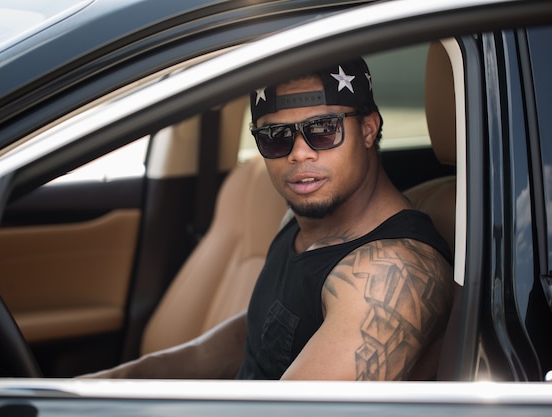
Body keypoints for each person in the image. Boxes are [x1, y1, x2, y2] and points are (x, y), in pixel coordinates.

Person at [83, 57, 454, 381]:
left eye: (323, 130)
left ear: (369, 129)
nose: (298, 154)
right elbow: (259, 337)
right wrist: (118, 381)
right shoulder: (304, 219)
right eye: (276, 137)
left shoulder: (390, 274)